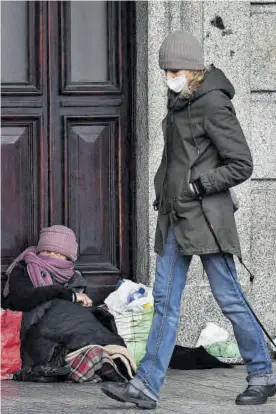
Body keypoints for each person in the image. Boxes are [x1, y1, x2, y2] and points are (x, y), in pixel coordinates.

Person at [101, 31, 276, 408]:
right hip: (175, 216)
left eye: (174, 69)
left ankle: (262, 372)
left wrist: (198, 187)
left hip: (207, 220)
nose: (168, 76)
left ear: (195, 69)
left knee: (229, 297)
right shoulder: (181, 99)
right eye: (165, 70)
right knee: (165, 301)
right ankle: (145, 385)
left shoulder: (213, 103)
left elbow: (242, 164)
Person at [3, 225, 125, 380]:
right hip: (33, 334)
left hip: (67, 334)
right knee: (61, 313)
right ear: (39, 251)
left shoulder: (75, 278)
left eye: (57, 253)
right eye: (46, 251)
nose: (51, 256)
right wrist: (66, 295)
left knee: (90, 321)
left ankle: (105, 357)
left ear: (68, 258)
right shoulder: (23, 269)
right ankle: (89, 361)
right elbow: (23, 299)